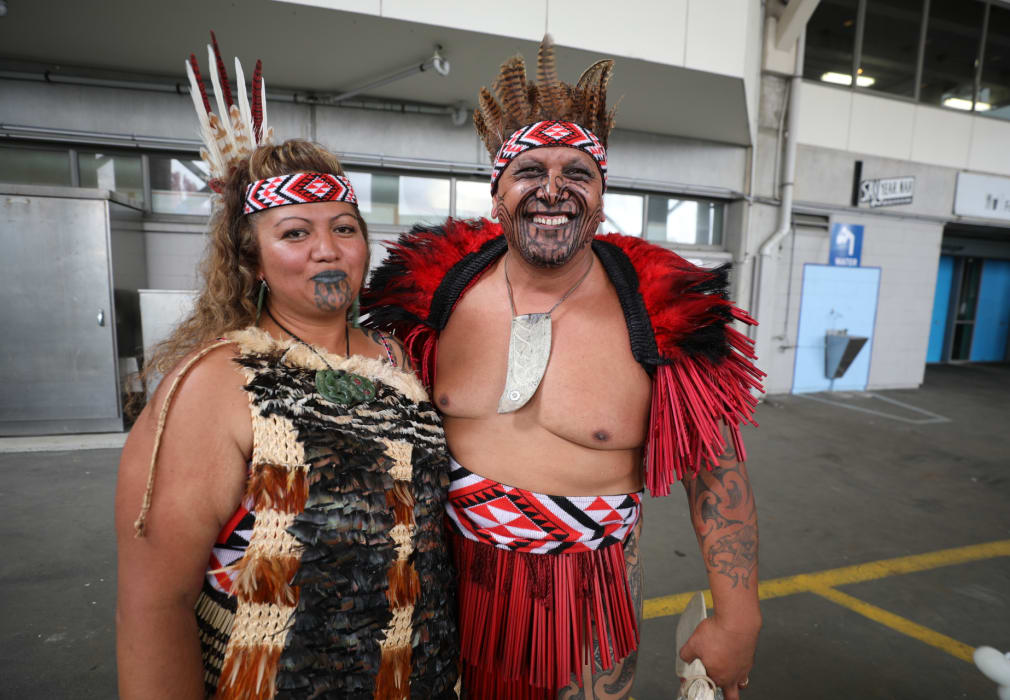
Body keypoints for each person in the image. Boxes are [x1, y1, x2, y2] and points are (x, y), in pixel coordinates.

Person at [363, 36, 763, 700]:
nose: (553, 189)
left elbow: (716, 471)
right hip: (449, 591)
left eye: (576, 173)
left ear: (602, 196)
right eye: (530, 172)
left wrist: (739, 615)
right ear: (497, 194)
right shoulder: (436, 293)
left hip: (589, 603)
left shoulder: (661, 311)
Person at [114, 40, 458, 700]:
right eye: (295, 232)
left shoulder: (398, 358)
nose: (326, 249)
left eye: (344, 227)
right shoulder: (216, 383)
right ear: (252, 261)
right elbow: (154, 605)